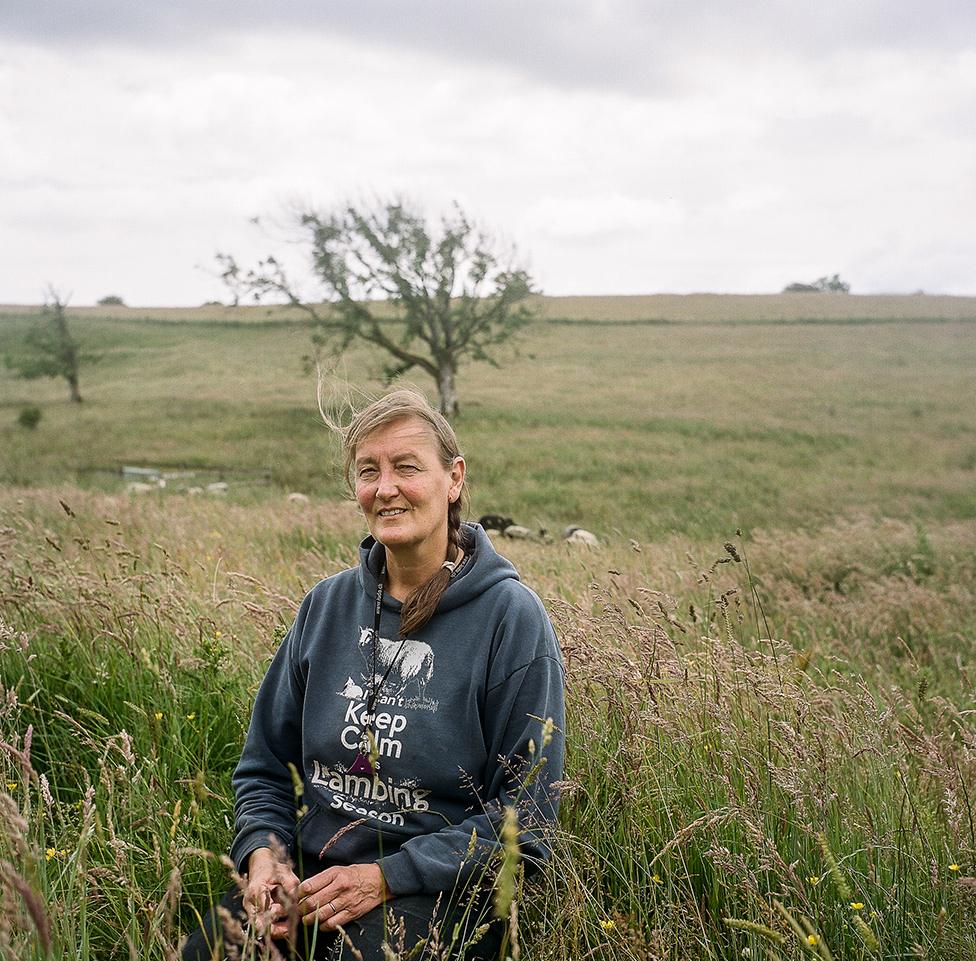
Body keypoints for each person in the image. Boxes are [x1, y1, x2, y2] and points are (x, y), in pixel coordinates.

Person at [182, 389, 565, 961]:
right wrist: (265, 858)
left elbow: (528, 816)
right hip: (310, 881)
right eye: (368, 471)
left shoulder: (510, 619)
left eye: (406, 468)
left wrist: (387, 876)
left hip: (435, 891)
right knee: (209, 953)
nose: (385, 488)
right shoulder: (326, 606)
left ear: (453, 478)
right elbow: (264, 767)